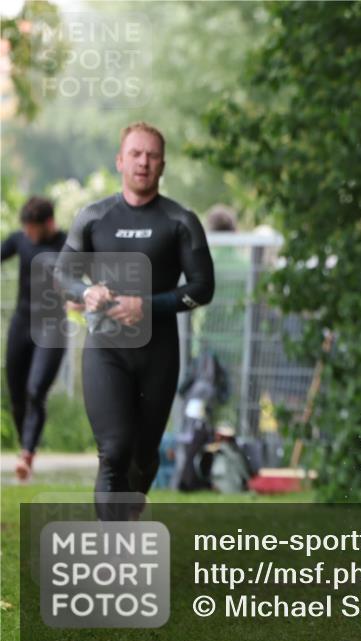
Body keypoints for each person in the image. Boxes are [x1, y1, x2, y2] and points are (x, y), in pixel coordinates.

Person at [55, 122, 214, 520]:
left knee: (143, 456)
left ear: (162, 165)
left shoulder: (180, 220)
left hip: (158, 353)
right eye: (136, 154)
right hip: (106, 350)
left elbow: (203, 287)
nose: (143, 162)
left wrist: (147, 305)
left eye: (152, 155)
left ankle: (129, 507)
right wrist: (84, 291)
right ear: (120, 161)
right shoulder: (93, 217)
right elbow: (62, 275)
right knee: (113, 451)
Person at [1, 196, 72, 481]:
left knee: (36, 390)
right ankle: (25, 445)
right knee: (18, 396)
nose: (29, 233)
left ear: (49, 223)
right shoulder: (20, 240)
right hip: (22, 323)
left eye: (33, 228)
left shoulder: (67, 243)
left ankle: (27, 454)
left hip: (52, 326)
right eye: (26, 227)